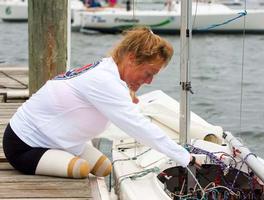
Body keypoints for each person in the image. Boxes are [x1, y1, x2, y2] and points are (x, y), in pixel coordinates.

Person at [2, 27, 201, 179]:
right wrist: (184, 157)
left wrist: (126, 93)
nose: (149, 81)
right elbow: (139, 127)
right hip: (24, 145)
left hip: (63, 142)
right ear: (131, 59)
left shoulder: (109, 70)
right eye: (149, 73)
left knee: (104, 169)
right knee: (81, 170)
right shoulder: (105, 81)